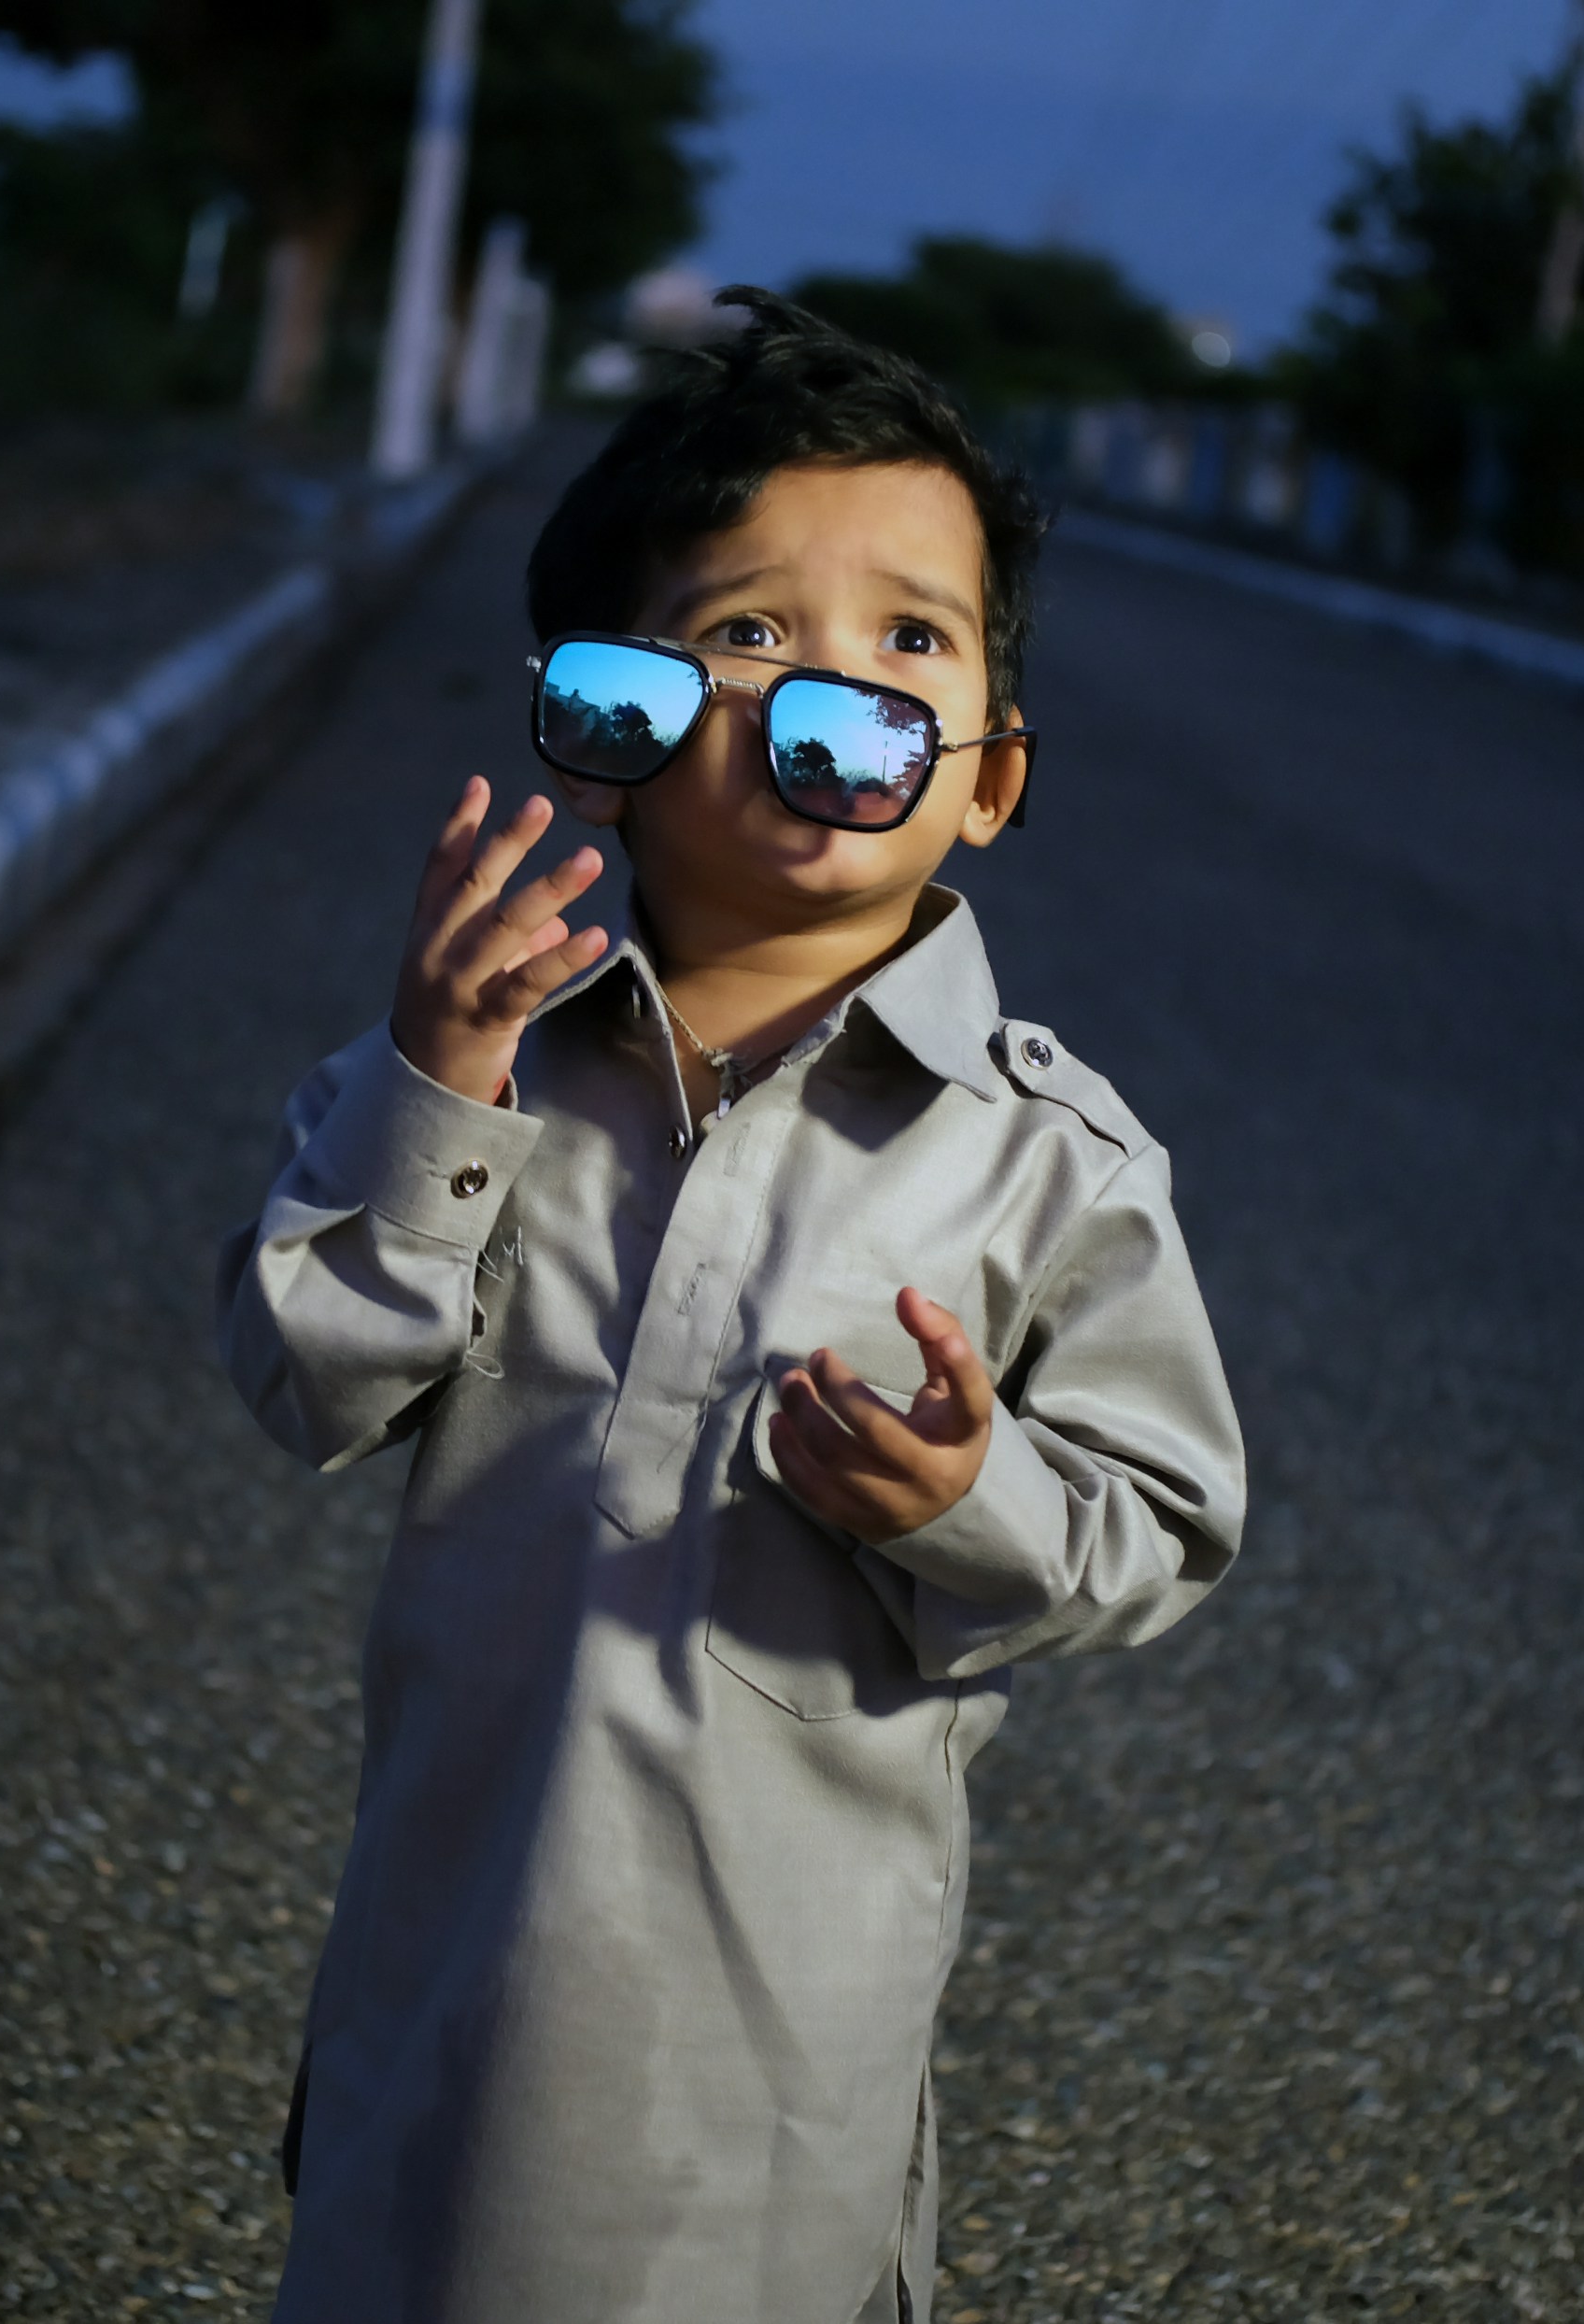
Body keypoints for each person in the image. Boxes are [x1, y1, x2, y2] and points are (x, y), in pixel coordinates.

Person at [217, 290, 1250, 2324]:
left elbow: (1169, 1520)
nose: (831, 690)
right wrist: (433, 1093)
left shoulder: (1048, 1160)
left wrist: (965, 1493)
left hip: (782, 2025)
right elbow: (303, 1373)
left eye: (912, 641)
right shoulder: (473, 1069)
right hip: (455, 1953)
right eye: (751, 630)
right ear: (605, 722)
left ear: (989, 780)